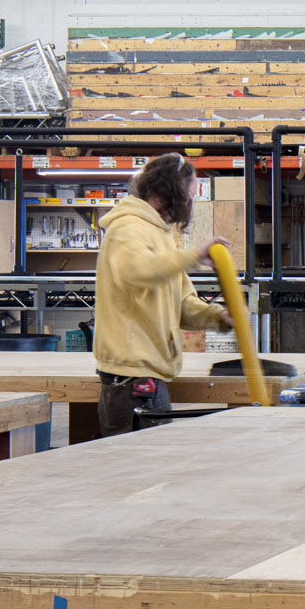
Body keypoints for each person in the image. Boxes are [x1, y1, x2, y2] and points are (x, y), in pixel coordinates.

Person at [92, 153, 233, 437]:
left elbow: (181, 304)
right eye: (188, 195)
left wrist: (219, 317)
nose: (190, 203)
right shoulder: (127, 228)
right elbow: (136, 271)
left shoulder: (160, 234)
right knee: (133, 469)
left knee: (152, 464)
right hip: (130, 376)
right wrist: (193, 256)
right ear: (169, 191)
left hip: (151, 375)